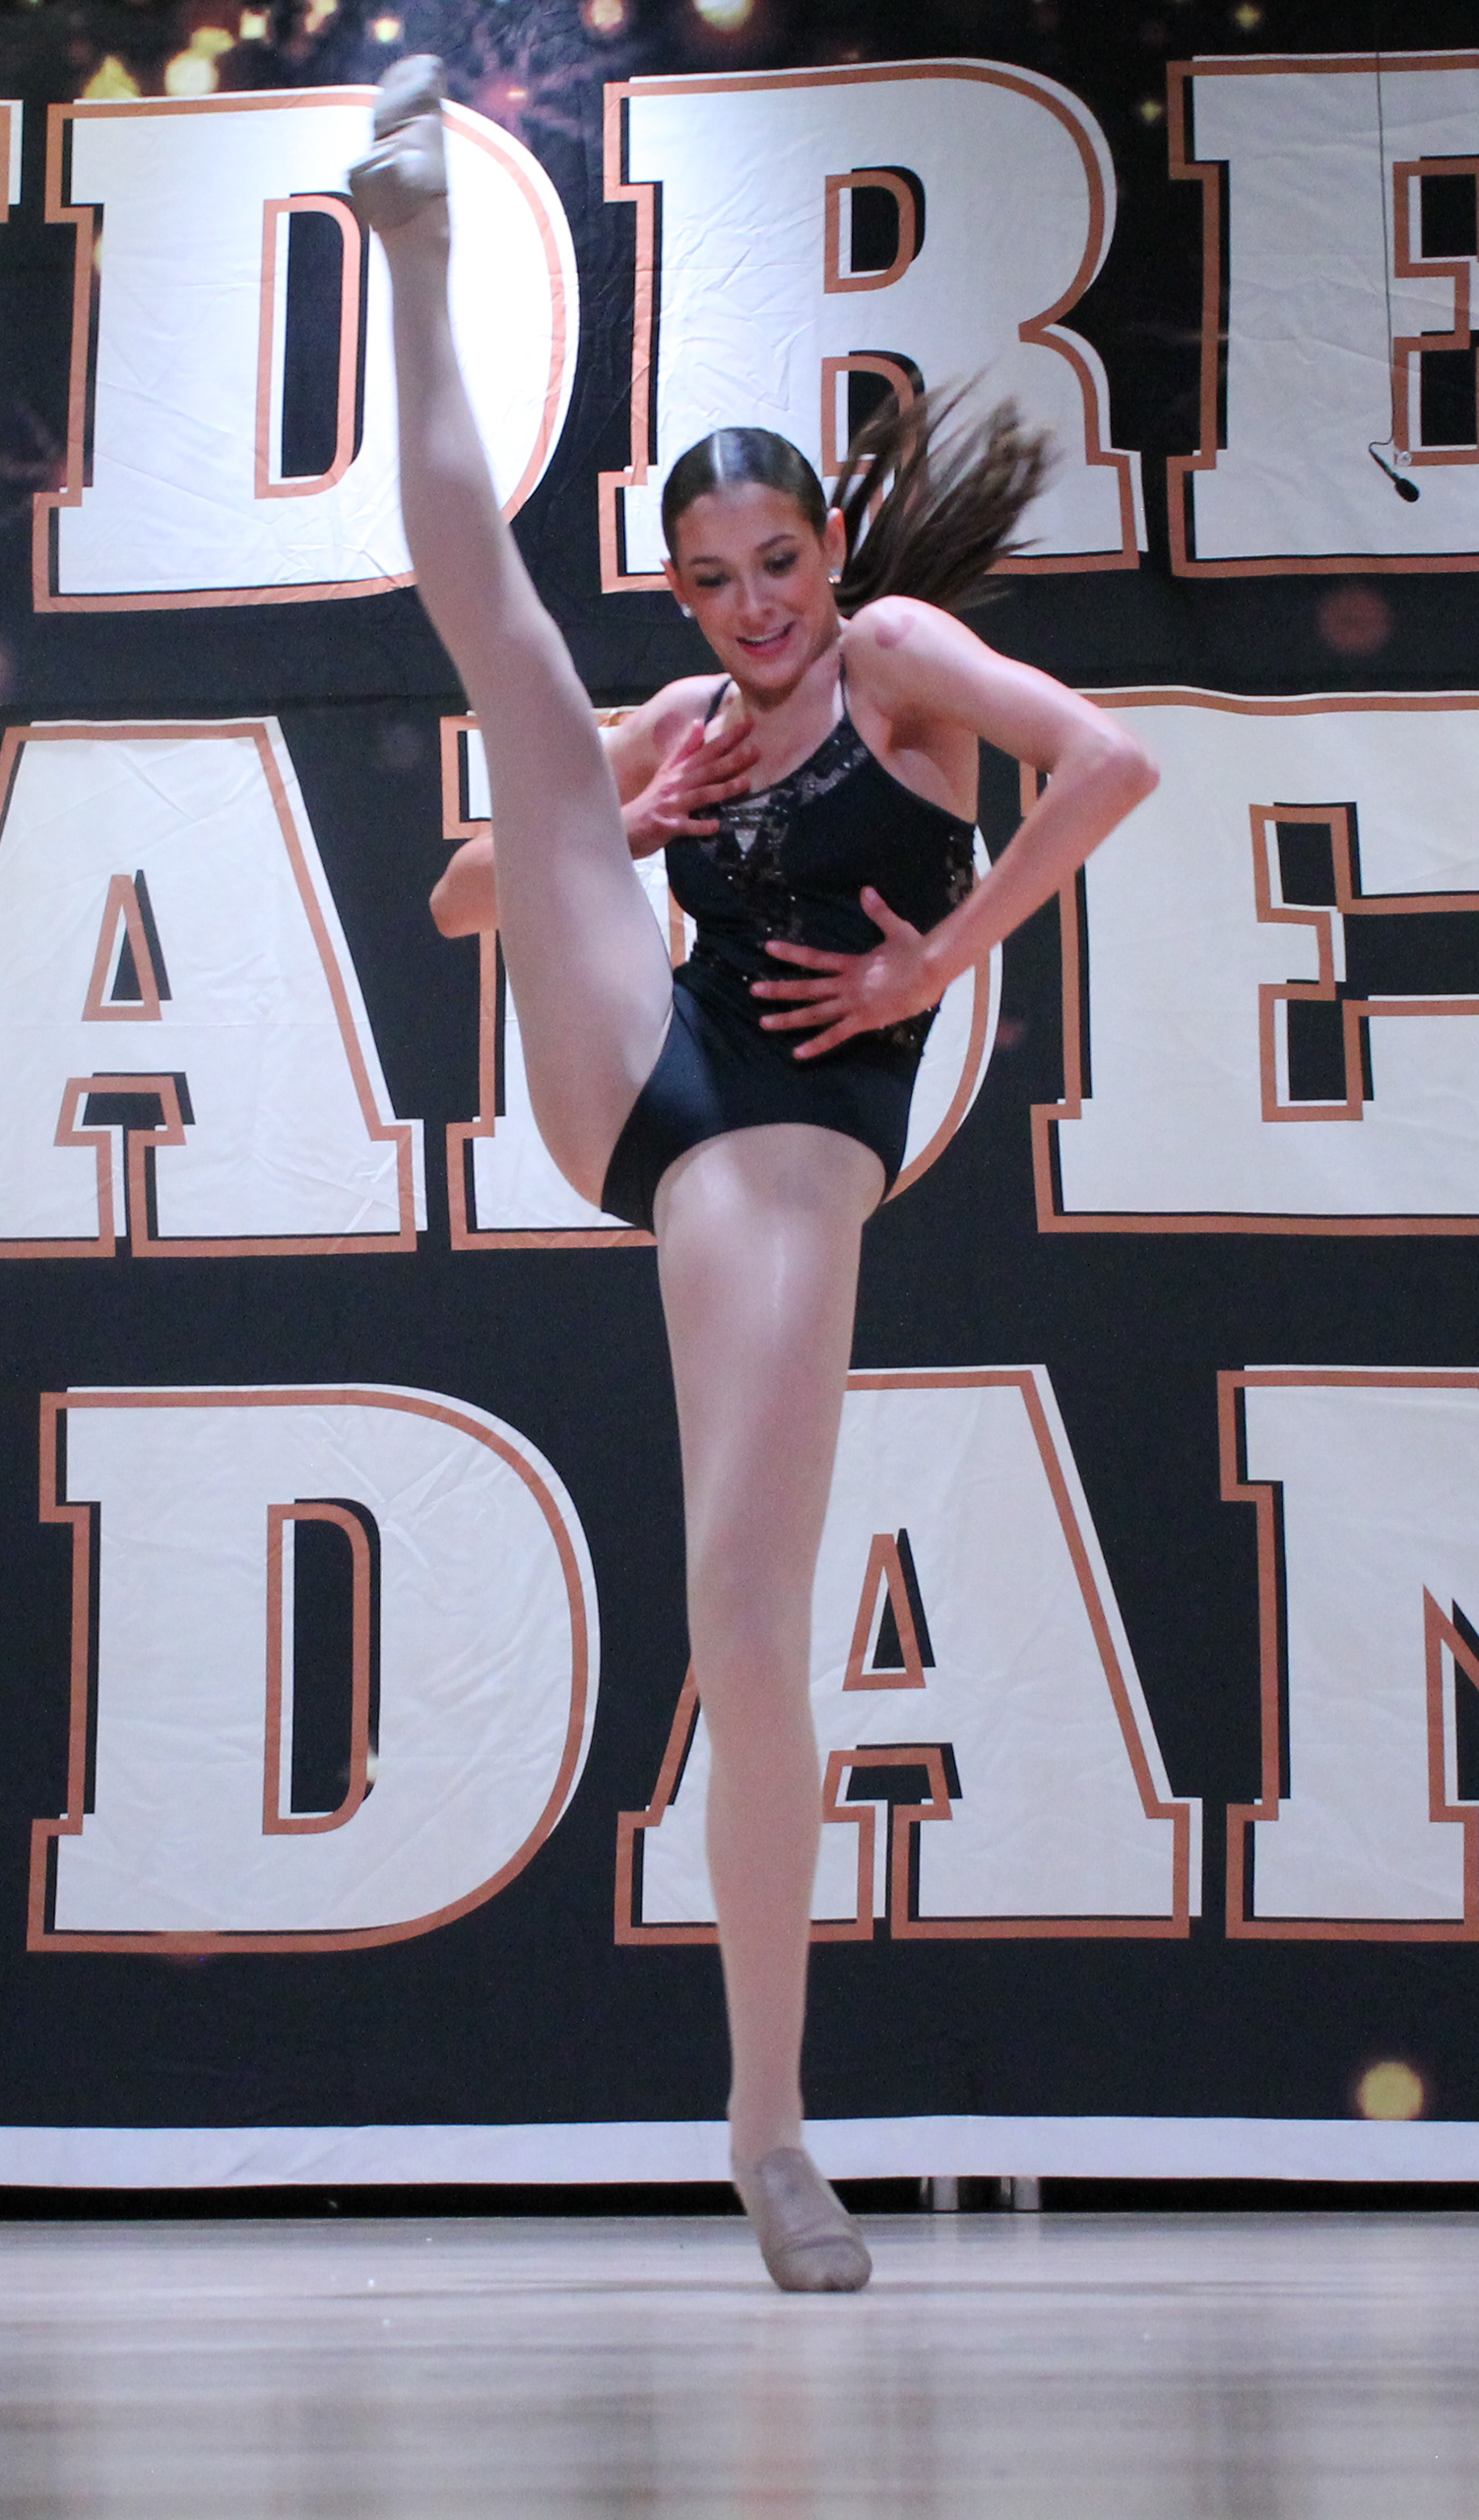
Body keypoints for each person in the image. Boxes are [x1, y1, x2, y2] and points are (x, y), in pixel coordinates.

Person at [354, 59, 1154, 2293]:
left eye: (776, 565)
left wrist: (937, 961)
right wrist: (617, 803)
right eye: (711, 585)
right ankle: (413, 251)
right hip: (646, 1067)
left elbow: (1106, 763)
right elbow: (463, 898)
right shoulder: (694, 717)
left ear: (828, 550)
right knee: (512, 668)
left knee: (742, 1626)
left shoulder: (897, 662)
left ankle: (769, 2125)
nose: (751, 609)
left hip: (798, 1134)